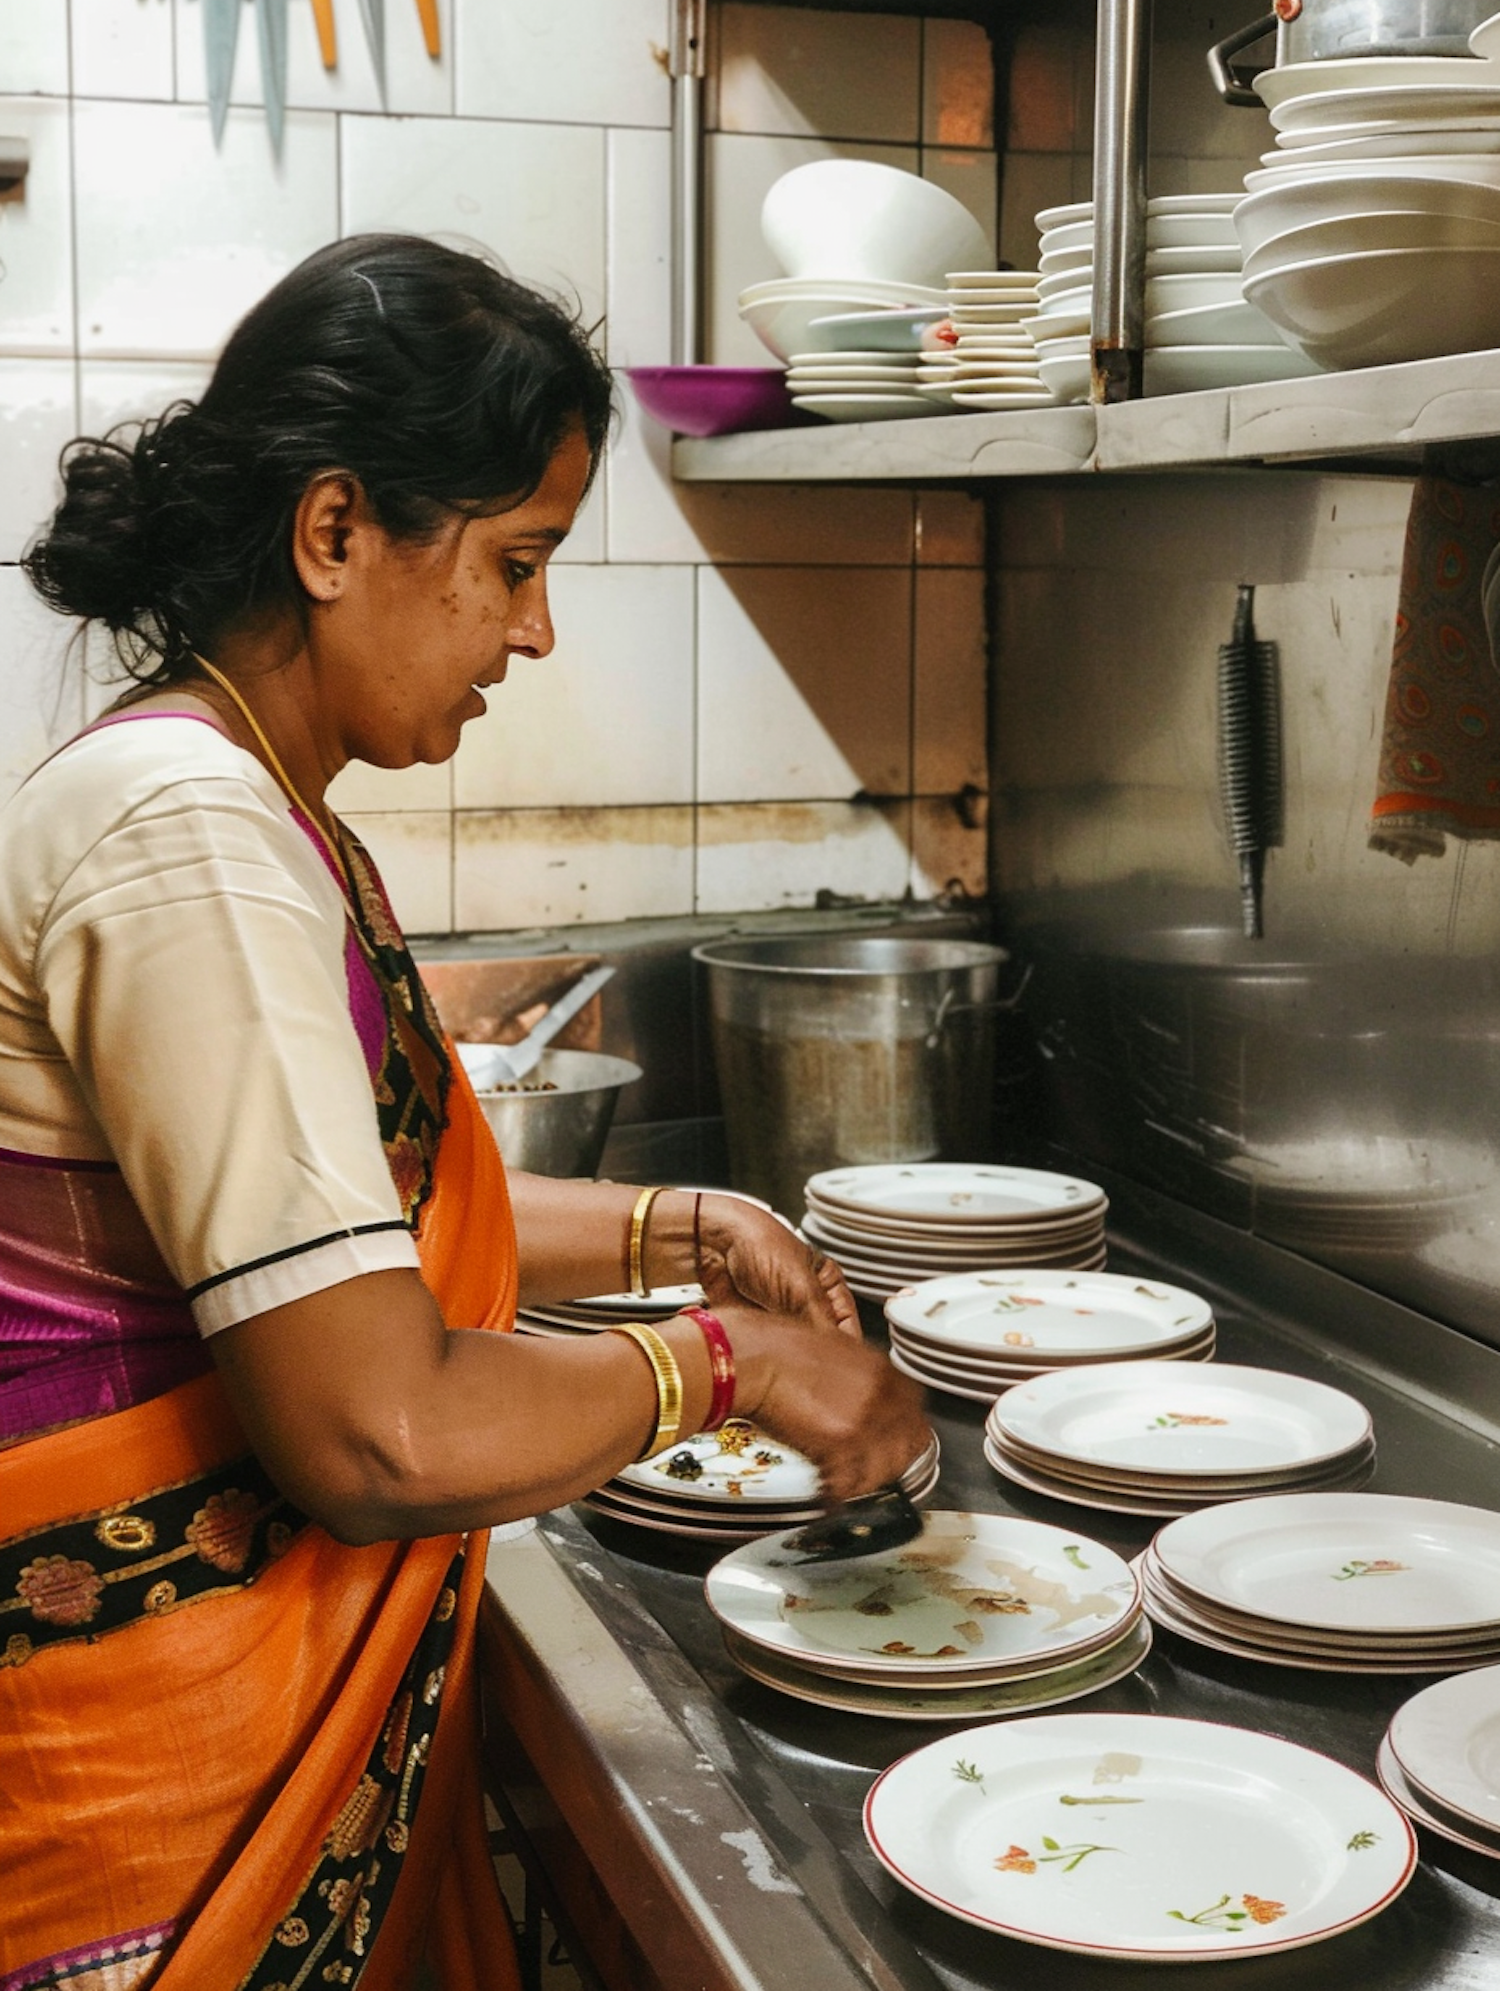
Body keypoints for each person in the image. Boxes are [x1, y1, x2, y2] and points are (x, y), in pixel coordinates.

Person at [0, 234, 929, 1991]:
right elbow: (378, 1434)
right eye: (515, 560)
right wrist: (737, 1362)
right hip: (141, 1803)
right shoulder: (187, 836)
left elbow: (337, 1233)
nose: (536, 623)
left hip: (177, 1751)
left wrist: (676, 1223)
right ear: (335, 530)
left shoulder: (250, 799)